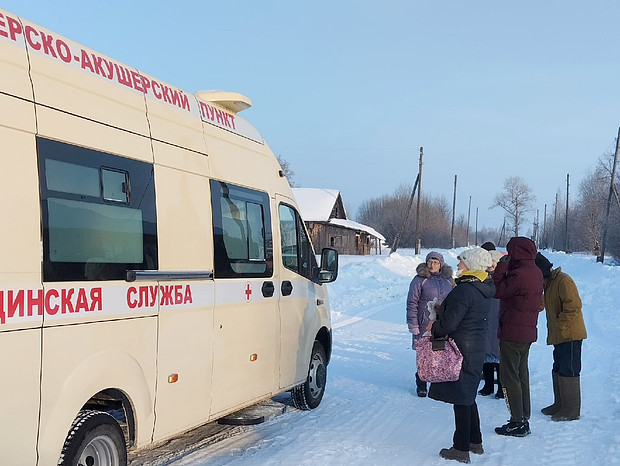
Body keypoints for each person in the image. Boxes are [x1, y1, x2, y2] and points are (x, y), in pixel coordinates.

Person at [427, 247, 495, 463]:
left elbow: (449, 323)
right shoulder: (482, 287)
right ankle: (475, 441)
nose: (458, 265)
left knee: (462, 398)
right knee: (468, 395)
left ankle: (460, 448)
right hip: (475, 346)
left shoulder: (465, 290)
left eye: (462, 262)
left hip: (461, 347)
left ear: (471, 265)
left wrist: (434, 326)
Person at [492, 237, 543, 437]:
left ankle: (517, 421)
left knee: (509, 376)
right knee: (522, 374)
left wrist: (501, 269)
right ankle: (523, 416)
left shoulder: (518, 274)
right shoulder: (536, 271)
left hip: (512, 332)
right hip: (527, 331)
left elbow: (498, 290)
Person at [535, 253, 587, 421]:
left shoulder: (564, 280)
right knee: (558, 367)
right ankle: (560, 404)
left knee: (569, 369)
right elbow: (546, 304)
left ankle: (571, 411)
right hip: (560, 335)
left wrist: (560, 325)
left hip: (570, 335)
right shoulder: (549, 284)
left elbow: (574, 306)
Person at [406, 251, 453, 397]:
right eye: (430, 262)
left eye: (436, 262)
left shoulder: (448, 280)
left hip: (442, 323)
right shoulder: (419, 279)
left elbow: (454, 300)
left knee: (440, 353)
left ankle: (437, 383)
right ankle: (421, 384)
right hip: (424, 324)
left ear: (441, 264)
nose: (432, 265)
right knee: (424, 355)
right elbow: (412, 302)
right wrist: (413, 324)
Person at [478, 247, 504, 399]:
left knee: (498, 354)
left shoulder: (503, 279)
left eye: (493, 263)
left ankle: (501, 386)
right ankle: (488, 385)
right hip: (485, 317)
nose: (491, 266)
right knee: (485, 352)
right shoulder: (483, 278)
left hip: (499, 318)